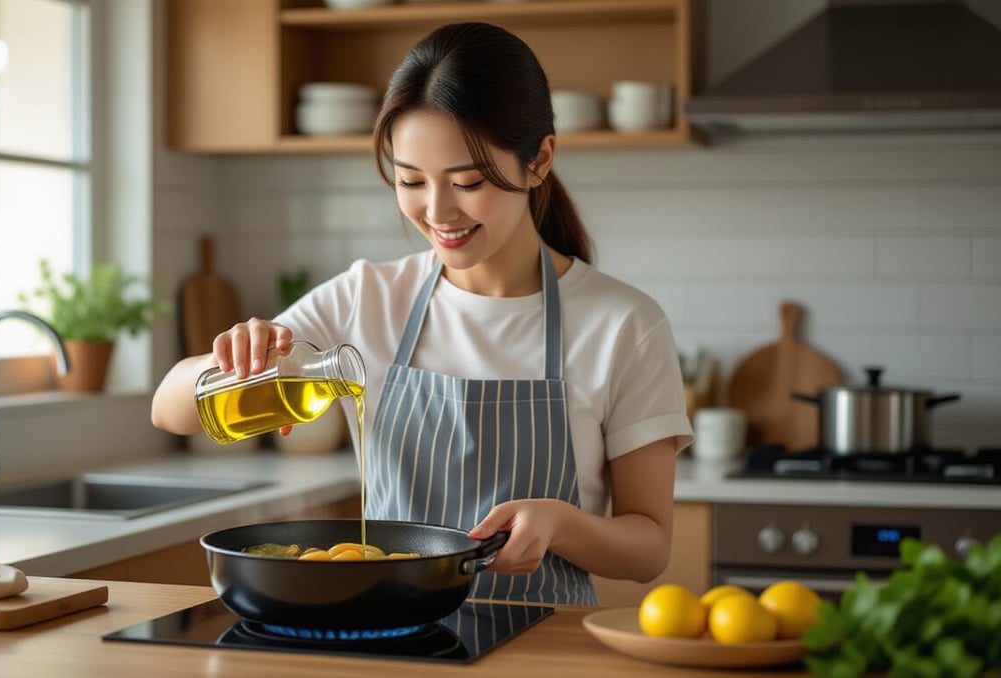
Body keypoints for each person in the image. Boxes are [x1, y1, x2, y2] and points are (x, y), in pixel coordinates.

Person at [151, 22, 693, 606]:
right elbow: (169, 410)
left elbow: (649, 548)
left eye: (467, 182)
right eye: (410, 180)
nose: (437, 212)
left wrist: (563, 523)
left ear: (539, 161)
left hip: (541, 647)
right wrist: (237, 357)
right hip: (386, 639)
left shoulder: (624, 324)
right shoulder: (367, 296)